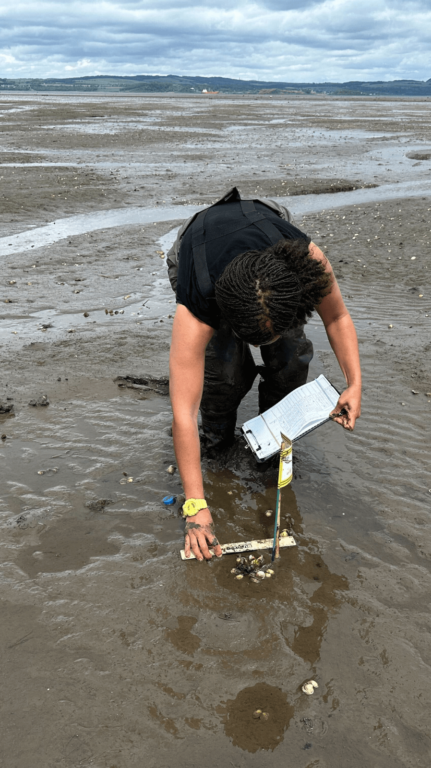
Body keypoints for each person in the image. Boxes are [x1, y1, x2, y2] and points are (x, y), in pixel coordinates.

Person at [166, 187, 362, 561]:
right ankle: (218, 439)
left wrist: (354, 383)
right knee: (222, 371)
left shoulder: (305, 261)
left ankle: (272, 442)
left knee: (290, 355)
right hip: (198, 242)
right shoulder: (199, 299)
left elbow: (336, 316)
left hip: (267, 233)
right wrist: (196, 504)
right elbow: (182, 412)